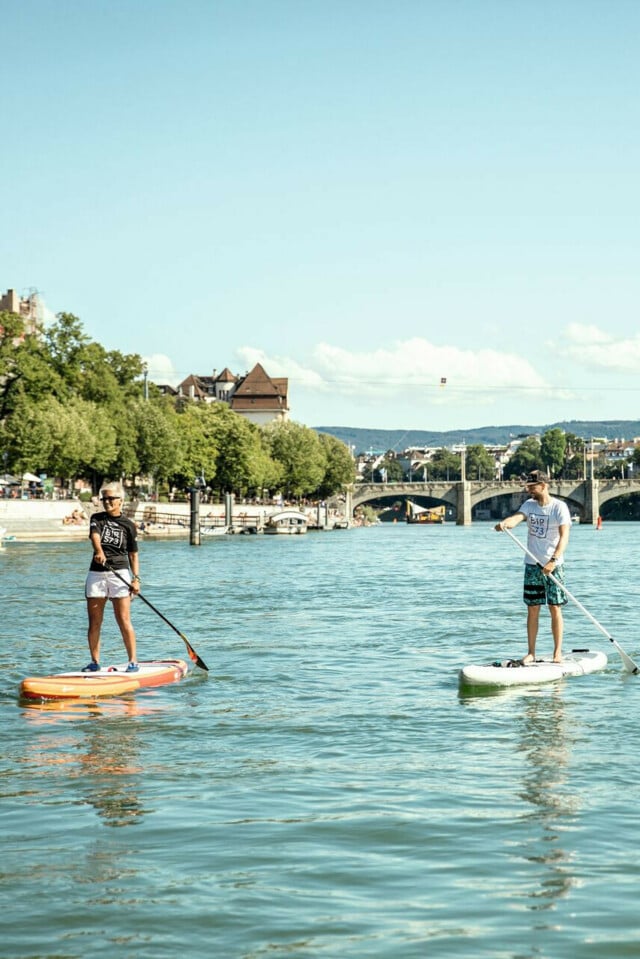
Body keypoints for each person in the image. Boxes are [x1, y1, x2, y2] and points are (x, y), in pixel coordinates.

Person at [494, 469, 571, 664]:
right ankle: (531, 653)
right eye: (528, 487)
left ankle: (557, 653)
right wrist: (505, 523)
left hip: (553, 565)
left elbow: (565, 537)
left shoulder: (559, 507)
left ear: (543, 486)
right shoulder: (529, 505)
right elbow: (517, 518)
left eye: (532, 487)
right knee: (533, 608)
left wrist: (553, 560)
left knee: (554, 607)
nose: (529, 491)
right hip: (532, 565)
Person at [83, 482, 141, 672]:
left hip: (120, 574)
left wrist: (136, 579)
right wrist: (99, 551)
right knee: (94, 621)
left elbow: (133, 554)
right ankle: (94, 662)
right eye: (104, 498)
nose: (107, 502)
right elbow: (95, 536)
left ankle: (133, 661)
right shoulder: (97, 518)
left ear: (120, 501)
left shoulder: (129, 525)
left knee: (123, 619)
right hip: (96, 573)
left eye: (111, 498)